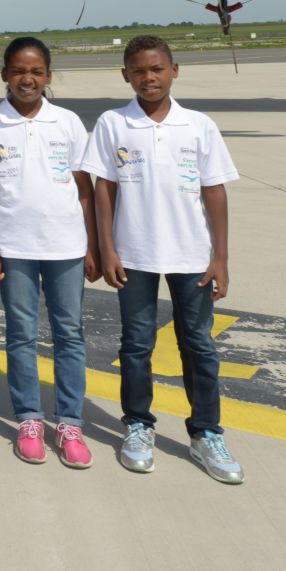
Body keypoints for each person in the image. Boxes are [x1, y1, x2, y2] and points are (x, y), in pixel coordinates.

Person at [81, 35, 244, 484]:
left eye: (157, 69)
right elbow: (103, 190)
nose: (148, 78)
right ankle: (137, 424)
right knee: (136, 345)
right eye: (139, 71)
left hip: (192, 254)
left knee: (199, 345)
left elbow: (214, 190)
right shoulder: (113, 124)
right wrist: (107, 248)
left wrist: (221, 257)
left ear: (175, 70)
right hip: (134, 254)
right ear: (125, 75)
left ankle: (206, 433)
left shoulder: (198, 125)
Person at [0, 37, 97, 468]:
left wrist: (93, 244)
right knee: (21, 334)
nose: (28, 79)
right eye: (19, 71)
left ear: (48, 75)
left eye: (37, 72)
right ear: (4, 74)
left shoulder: (67, 122)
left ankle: (69, 422)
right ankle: (28, 417)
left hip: (65, 244)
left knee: (69, 334)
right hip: (14, 247)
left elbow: (85, 189)